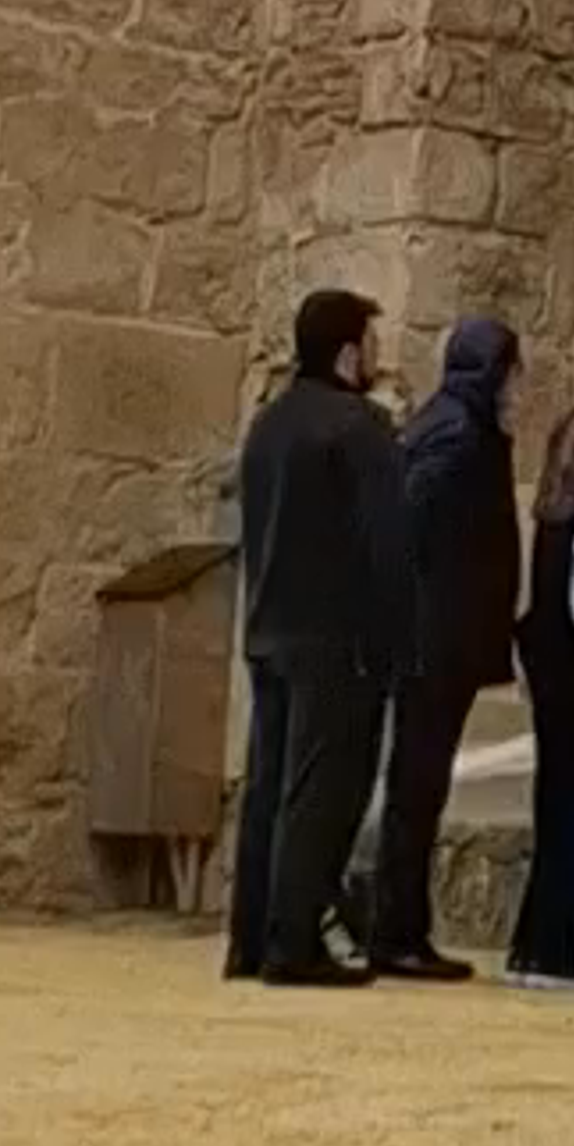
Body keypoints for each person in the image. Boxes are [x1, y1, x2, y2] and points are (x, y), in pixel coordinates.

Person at [226, 291, 404, 989]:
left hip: (269, 623)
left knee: (269, 784)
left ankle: (250, 935)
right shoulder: (359, 427)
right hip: (336, 633)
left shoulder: (267, 425)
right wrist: (397, 635)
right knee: (319, 789)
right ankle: (295, 939)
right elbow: (386, 541)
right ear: (349, 351)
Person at [363, 312, 521, 979]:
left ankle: (403, 925)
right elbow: (414, 523)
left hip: (441, 633)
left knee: (419, 786)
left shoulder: (456, 426)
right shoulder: (458, 435)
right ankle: (396, 929)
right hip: (436, 637)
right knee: (417, 784)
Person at [507, 402, 574, 987]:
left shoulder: (548, 516)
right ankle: (554, 944)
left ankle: (533, 939)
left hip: (545, 666)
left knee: (554, 804)